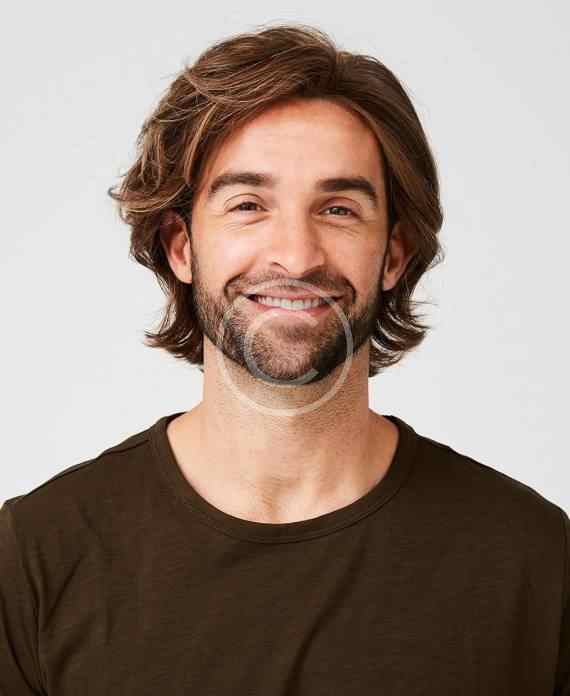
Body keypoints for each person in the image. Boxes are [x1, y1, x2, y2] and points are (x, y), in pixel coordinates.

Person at [1, 23, 568, 695]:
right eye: (249, 205)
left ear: (393, 255)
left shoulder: (534, 562)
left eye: (338, 209)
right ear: (181, 247)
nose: (296, 256)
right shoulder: (34, 558)